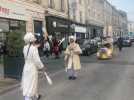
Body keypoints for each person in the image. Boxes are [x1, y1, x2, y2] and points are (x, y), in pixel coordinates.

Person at [21, 32, 45, 100]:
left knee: (27, 83)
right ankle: (28, 98)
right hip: (32, 68)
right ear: (32, 41)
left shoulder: (24, 48)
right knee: (31, 84)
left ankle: (36, 96)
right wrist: (42, 67)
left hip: (26, 67)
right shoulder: (34, 49)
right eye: (34, 40)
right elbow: (37, 60)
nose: (35, 41)